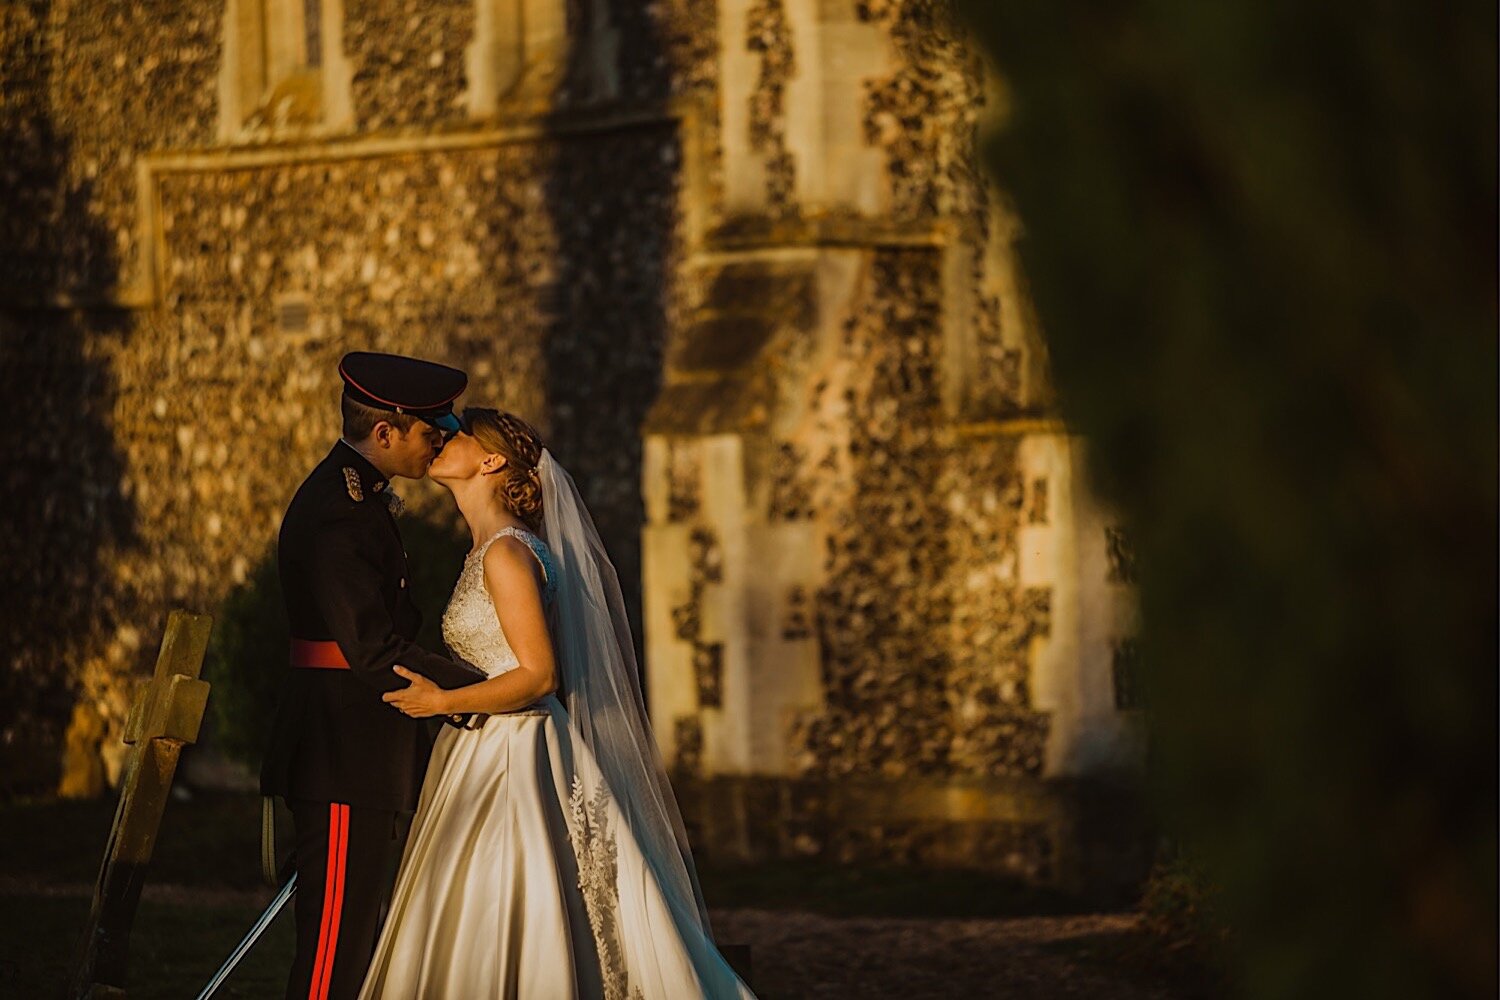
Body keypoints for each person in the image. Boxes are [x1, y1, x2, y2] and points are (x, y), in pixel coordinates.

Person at [359, 408, 755, 999]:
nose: (442, 439)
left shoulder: (505, 554)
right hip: (492, 744)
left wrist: (445, 699)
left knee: (515, 890)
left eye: (459, 434)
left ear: (492, 461)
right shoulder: (492, 548)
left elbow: (539, 674)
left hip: (515, 752)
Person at [260, 352, 490, 1000]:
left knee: (358, 936)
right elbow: (369, 647)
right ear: (385, 432)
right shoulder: (339, 511)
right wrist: (477, 690)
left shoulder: (356, 497)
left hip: (356, 747)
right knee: (336, 947)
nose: (438, 441)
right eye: (428, 431)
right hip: (339, 751)